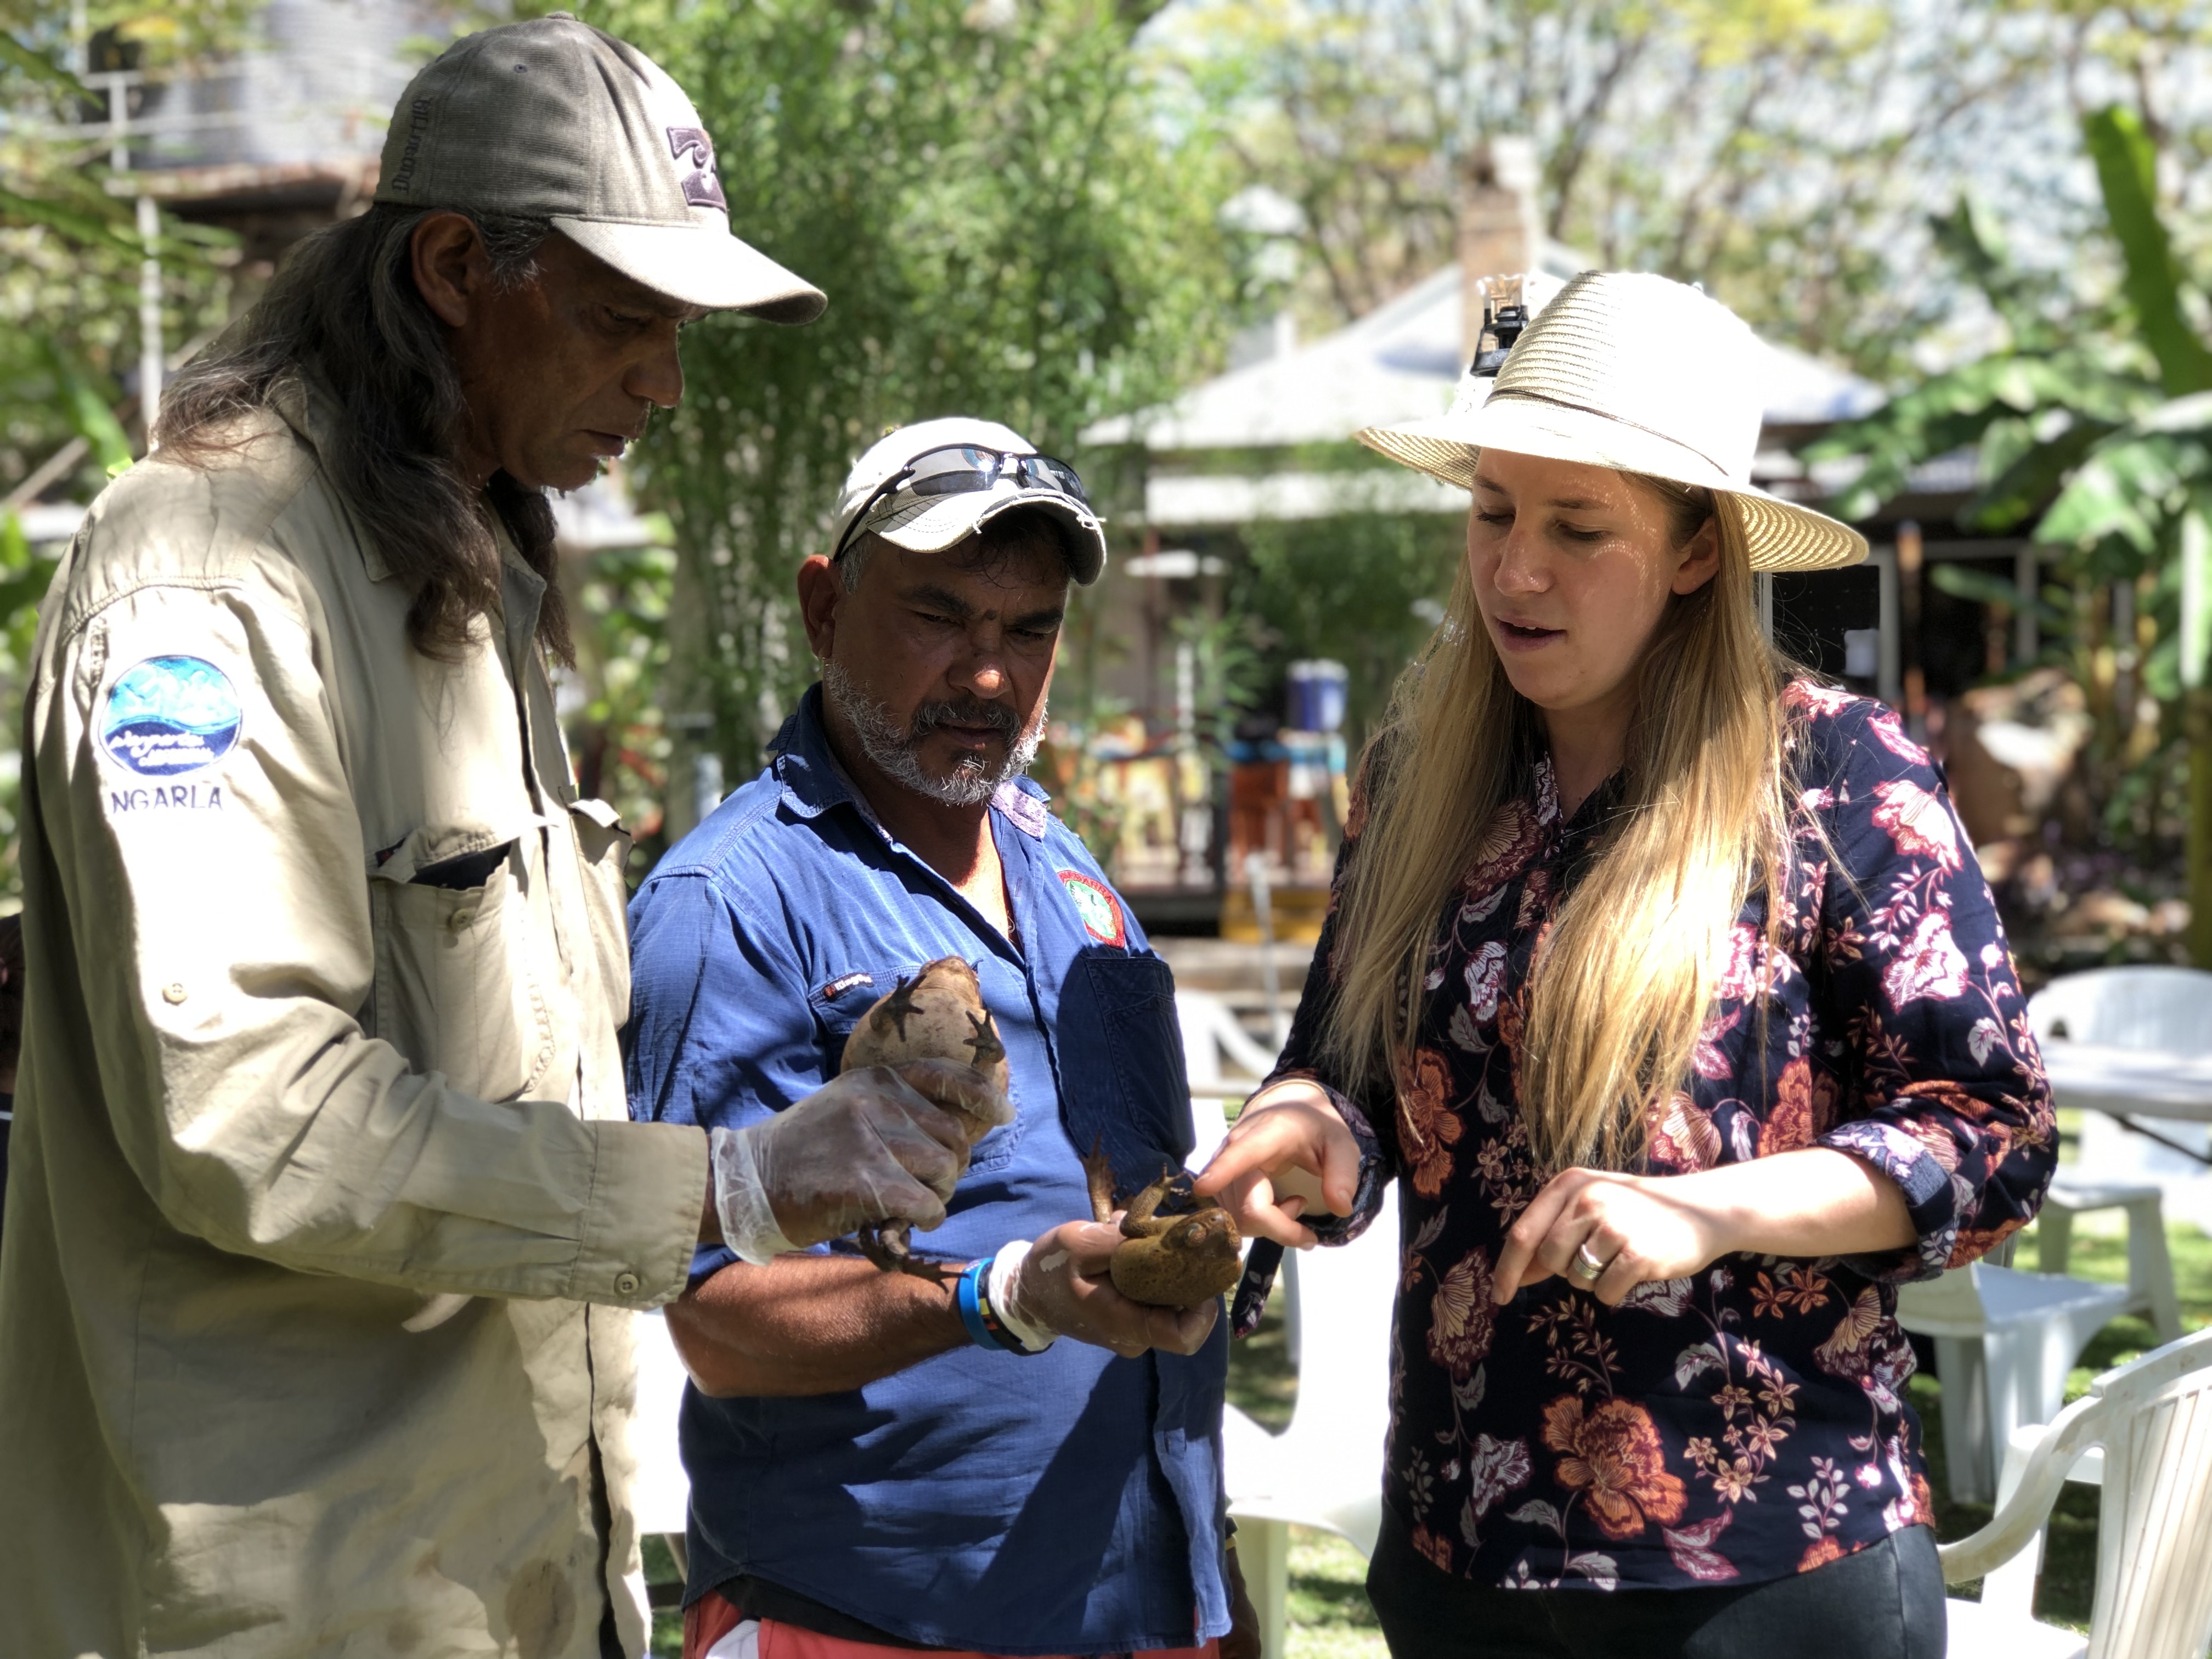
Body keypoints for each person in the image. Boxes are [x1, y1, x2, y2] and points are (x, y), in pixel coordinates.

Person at [0, 20, 1007, 1658]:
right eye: (625, 320)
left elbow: (503, 1070)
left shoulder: (466, 584)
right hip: (295, 1601)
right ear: (458, 266)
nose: (666, 384)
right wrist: (733, 1183)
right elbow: (239, 1104)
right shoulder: (210, 571)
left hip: (517, 1572)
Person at [1195, 272, 2057, 1659]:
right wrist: (1301, 1127)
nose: (1514, 569)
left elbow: (1990, 1133)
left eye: (1578, 528)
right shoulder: (1421, 776)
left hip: (1758, 1572)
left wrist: (1712, 1211)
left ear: (1699, 552)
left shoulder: (1836, 776)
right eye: (1492, 513)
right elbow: (1343, 1072)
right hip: (1455, 1551)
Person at [627, 418, 1259, 1659]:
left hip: (1143, 1596)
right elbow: (717, 1323)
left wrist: (1212, 1580)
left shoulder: (1067, 870)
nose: (988, 675)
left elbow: (1139, 1225)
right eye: (939, 615)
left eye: (1028, 631)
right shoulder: (730, 901)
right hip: (867, 1609)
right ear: (824, 607)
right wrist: (999, 1297)